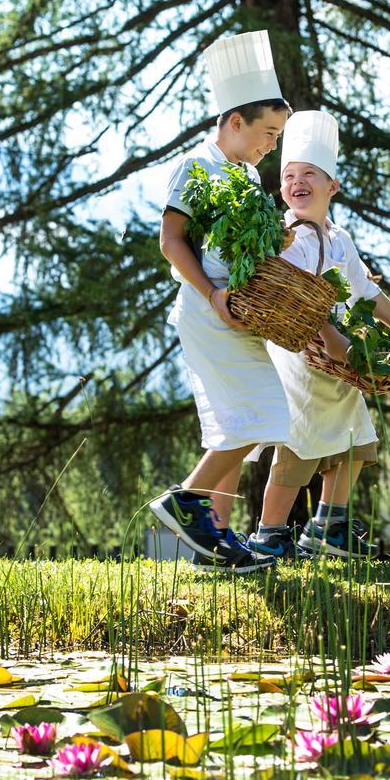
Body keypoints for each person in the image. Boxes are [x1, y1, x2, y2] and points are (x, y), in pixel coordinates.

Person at [149, 30, 292, 573]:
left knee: (237, 424)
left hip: (241, 315)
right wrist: (212, 294)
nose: (272, 144)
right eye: (268, 131)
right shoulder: (196, 167)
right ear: (236, 121)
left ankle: (218, 544)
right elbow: (171, 241)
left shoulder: (250, 176)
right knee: (266, 417)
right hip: (207, 311)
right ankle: (185, 500)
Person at [247, 110, 390, 560]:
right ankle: (269, 533)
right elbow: (297, 296)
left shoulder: (338, 237)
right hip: (304, 358)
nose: (296, 182)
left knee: (355, 442)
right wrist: (330, 336)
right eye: (288, 176)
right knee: (298, 448)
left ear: (332, 187)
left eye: (308, 174)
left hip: (338, 362)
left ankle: (329, 525)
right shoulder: (291, 238)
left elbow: (364, 288)